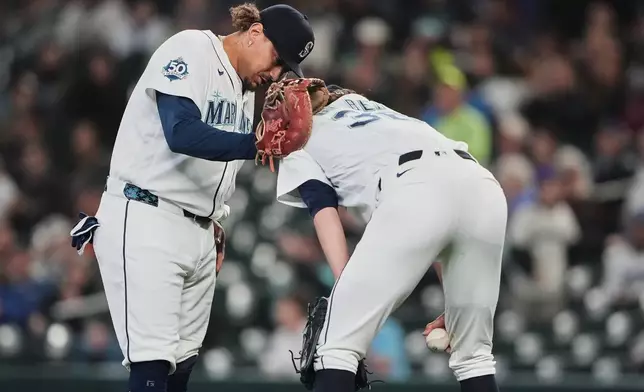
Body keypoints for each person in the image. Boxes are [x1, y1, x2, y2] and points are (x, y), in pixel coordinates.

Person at [69, 4, 315, 392]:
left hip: (197, 230)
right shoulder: (190, 48)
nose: (275, 74)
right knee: (152, 365)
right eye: (277, 59)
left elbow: (217, 166)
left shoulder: (245, 87)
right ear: (254, 32)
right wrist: (256, 144)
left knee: (180, 370)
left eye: (285, 69)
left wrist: (213, 219)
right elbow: (180, 132)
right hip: (148, 214)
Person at [276, 84, 507, 392]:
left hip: (415, 186)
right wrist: (454, 302)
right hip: (481, 185)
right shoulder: (372, 109)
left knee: (335, 347)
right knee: (474, 355)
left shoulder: (299, 138)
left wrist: (346, 291)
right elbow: (445, 206)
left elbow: (324, 212)